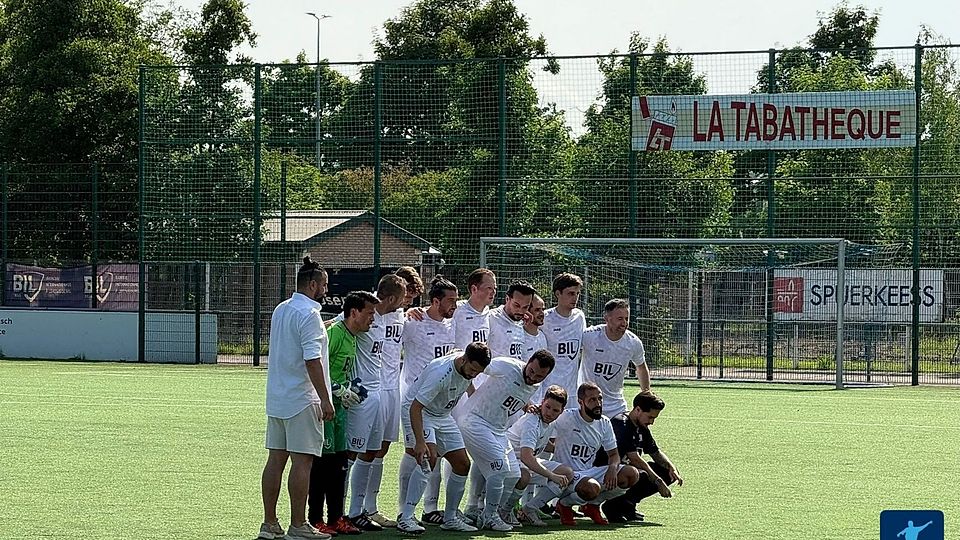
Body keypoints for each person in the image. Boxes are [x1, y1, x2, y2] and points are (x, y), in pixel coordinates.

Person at [259, 256, 335, 540]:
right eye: (324, 284)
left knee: (275, 460)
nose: (327, 289)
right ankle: (298, 525)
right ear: (313, 284)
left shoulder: (283, 308)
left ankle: (269, 524)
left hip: (278, 398)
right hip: (303, 400)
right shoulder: (309, 315)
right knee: (302, 463)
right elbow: (312, 360)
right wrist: (325, 399)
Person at [397, 343, 493, 535]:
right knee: (429, 459)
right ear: (464, 360)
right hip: (420, 411)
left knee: (462, 464)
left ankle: (450, 518)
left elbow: (468, 379)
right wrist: (420, 442)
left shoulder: (467, 366)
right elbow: (415, 407)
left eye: (478, 372)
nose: (474, 374)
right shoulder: (440, 374)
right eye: (473, 370)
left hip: (442, 415)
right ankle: (406, 517)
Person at [458, 350, 555, 531]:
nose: (532, 377)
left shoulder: (534, 385)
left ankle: (489, 512)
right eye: (531, 371)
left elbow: (514, 394)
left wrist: (527, 405)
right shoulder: (507, 366)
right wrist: (458, 357)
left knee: (513, 475)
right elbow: (476, 365)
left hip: (498, 430)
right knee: (499, 468)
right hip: (475, 420)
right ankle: (489, 516)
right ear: (528, 362)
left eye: (539, 376)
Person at [308, 291, 379, 536]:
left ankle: (336, 518)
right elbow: (315, 368)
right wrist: (337, 390)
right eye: (370, 313)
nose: (373, 319)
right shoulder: (334, 335)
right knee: (321, 466)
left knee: (339, 464)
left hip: (339, 412)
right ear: (354, 312)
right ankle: (314, 519)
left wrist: (350, 389)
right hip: (324, 409)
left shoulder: (353, 337)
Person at [522, 382, 639, 527]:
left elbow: (614, 455)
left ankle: (592, 505)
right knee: (591, 487)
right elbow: (547, 418)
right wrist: (531, 408)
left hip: (589, 472)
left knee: (631, 474)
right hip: (566, 474)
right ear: (580, 402)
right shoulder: (566, 417)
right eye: (592, 400)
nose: (597, 403)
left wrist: (612, 469)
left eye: (599, 399)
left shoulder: (604, 422)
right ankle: (563, 505)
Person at [361, 267, 424, 528]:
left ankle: (370, 507)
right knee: (363, 449)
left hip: (392, 388)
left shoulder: (403, 315)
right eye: (407, 296)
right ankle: (354, 508)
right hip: (370, 388)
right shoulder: (371, 311)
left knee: (382, 448)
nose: (409, 302)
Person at [343, 275, 407, 531]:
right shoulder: (362, 317)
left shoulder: (392, 317)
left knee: (372, 452)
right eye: (401, 300)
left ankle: (361, 510)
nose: (404, 304)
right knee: (350, 454)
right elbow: (335, 326)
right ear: (390, 299)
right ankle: (342, 512)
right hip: (361, 397)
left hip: (381, 395)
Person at [398, 275, 457, 525]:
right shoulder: (413, 321)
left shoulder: (454, 322)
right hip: (415, 400)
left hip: (441, 403)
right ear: (435, 301)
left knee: (438, 454)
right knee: (414, 453)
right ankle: (404, 510)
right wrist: (408, 310)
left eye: (456, 300)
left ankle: (431, 508)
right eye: (451, 300)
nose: (455, 305)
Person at [598, 391, 684, 523]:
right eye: (650, 417)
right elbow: (635, 458)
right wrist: (658, 481)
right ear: (638, 410)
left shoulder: (641, 426)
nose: (652, 422)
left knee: (667, 472)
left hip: (626, 472)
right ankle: (612, 506)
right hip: (606, 472)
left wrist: (671, 467)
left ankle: (627, 505)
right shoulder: (621, 424)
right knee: (641, 474)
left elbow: (655, 452)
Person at [509, 385, 575, 527]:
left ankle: (529, 509)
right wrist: (551, 475)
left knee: (567, 473)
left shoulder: (549, 421)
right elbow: (526, 457)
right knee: (524, 476)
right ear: (543, 401)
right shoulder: (532, 421)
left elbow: (541, 445)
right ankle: (505, 511)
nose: (550, 413)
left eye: (555, 410)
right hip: (510, 460)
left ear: (561, 411)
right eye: (548, 407)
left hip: (526, 461)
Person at [579, 298, 650, 417]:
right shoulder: (590, 336)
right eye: (620, 319)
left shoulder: (633, 342)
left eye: (626, 319)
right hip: (587, 404)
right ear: (607, 318)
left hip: (616, 407)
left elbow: (641, 368)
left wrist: (646, 395)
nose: (624, 323)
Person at [536, 273, 587, 408]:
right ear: (558, 293)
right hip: (548, 389)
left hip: (571, 392)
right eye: (570, 293)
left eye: (577, 294)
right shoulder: (545, 318)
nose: (575, 298)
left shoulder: (579, 317)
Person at [486, 280, 536, 360]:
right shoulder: (491, 318)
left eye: (525, 307)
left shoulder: (524, 321)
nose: (520, 311)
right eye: (516, 305)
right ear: (507, 299)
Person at [522, 294, 548, 362]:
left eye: (543, 309)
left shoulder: (542, 336)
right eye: (537, 310)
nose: (542, 313)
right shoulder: (520, 337)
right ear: (527, 312)